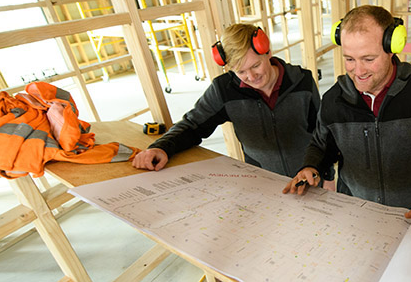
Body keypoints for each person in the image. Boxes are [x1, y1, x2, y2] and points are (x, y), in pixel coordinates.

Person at [282, 5, 411, 236]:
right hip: (354, 215)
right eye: (349, 59)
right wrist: (311, 166)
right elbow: (320, 145)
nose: (358, 71)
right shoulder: (333, 100)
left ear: (392, 47)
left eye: (368, 58)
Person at [132, 23, 332, 185]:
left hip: (308, 177)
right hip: (262, 181)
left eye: (255, 65)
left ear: (268, 52)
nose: (251, 77)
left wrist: (327, 176)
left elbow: (322, 133)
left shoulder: (302, 81)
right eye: (241, 71)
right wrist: (161, 147)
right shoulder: (224, 90)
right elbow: (193, 125)